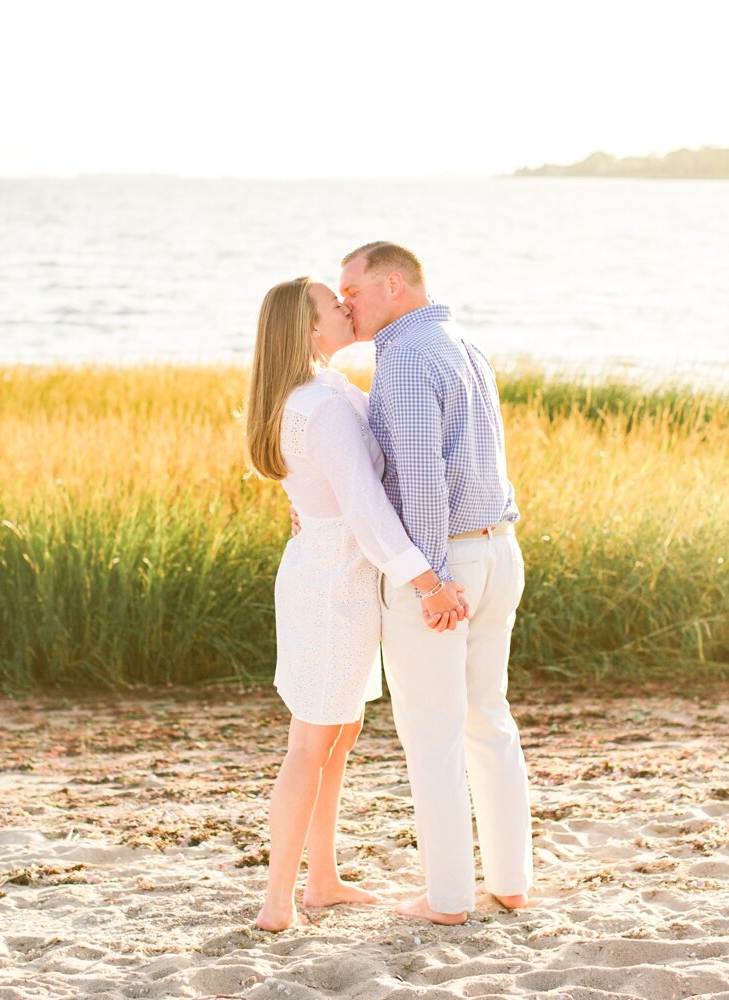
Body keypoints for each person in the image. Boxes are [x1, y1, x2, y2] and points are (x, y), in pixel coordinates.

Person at [245, 275, 468, 932]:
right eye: (330, 304)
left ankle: (322, 880)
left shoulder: (326, 392)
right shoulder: (320, 406)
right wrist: (427, 582)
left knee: (339, 736)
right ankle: (277, 903)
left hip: (332, 575)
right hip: (330, 591)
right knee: (311, 743)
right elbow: (367, 508)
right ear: (310, 329)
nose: (344, 306)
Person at [337, 242, 534, 925]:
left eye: (354, 290)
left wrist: (431, 580)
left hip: (447, 562)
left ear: (394, 284)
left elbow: (422, 476)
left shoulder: (406, 354)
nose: (345, 304)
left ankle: (448, 899)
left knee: (432, 731)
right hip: (499, 548)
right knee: (489, 719)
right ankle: (510, 881)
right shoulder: (462, 343)